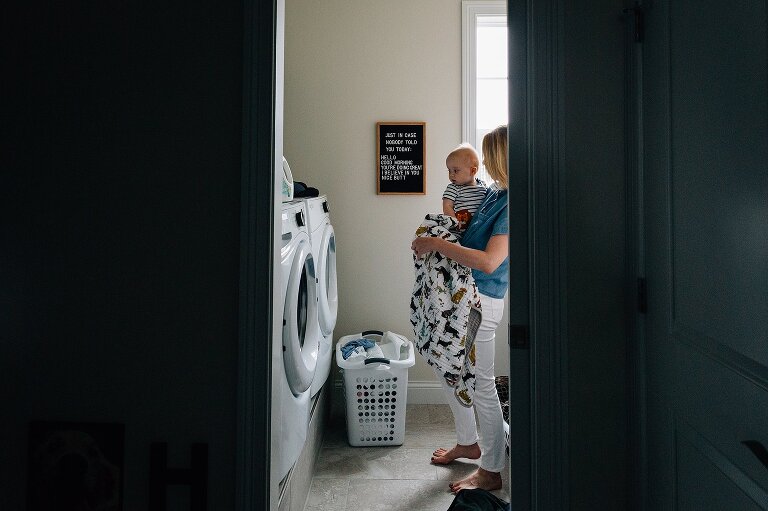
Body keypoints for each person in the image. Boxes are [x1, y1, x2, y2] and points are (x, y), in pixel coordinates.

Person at [411, 125, 509, 493]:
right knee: (446, 368)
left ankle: (492, 470)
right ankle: (468, 442)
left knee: (481, 385)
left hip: (481, 301)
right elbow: (460, 226)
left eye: (488, 154)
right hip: (462, 298)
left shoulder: (512, 203)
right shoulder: (492, 195)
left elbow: (488, 262)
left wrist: (434, 243)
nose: (483, 162)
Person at [442, 143, 487, 231]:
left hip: (478, 229)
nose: (451, 175)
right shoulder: (453, 188)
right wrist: (454, 222)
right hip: (459, 229)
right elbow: (447, 205)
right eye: (449, 170)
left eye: (455, 171)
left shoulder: (483, 186)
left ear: (473, 171)